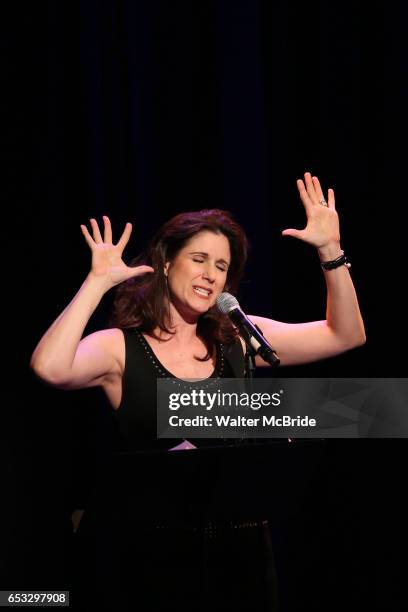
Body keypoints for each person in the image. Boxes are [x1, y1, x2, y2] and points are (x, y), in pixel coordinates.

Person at [30, 172, 365, 611]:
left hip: (240, 557)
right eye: (200, 260)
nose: (211, 276)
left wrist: (330, 252)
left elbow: (346, 335)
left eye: (222, 267)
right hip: (154, 559)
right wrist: (96, 283)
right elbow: (49, 368)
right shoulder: (119, 347)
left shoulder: (239, 336)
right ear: (167, 262)